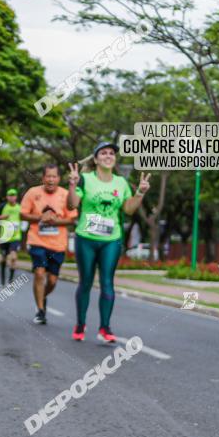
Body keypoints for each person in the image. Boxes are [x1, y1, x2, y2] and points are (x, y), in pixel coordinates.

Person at [67, 142, 150, 343]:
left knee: (107, 283)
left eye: (111, 153)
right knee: (85, 282)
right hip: (86, 238)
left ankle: (105, 327)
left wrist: (140, 192)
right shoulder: (85, 179)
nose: (108, 156)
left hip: (111, 240)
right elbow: (72, 204)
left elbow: (129, 209)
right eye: (103, 153)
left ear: (114, 159)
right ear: (95, 159)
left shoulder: (121, 183)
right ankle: (80, 324)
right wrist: (72, 184)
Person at [21, 164, 78, 324]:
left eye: (54, 176)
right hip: (37, 241)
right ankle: (40, 310)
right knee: (39, 273)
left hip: (58, 244)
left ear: (59, 179)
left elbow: (72, 219)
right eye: (48, 176)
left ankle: (42, 296)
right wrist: (40, 218)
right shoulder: (33, 193)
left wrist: (56, 221)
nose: (51, 179)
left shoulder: (66, 195)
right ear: (43, 178)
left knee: (52, 280)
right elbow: (23, 214)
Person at [0, 189, 22, 286]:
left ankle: (10, 280)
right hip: (4, 237)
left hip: (16, 237)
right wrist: (1, 217)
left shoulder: (20, 207)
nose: (12, 197)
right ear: (7, 197)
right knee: (3, 259)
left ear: (16, 197)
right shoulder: (2, 206)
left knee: (13, 257)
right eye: (10, 195)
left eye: (13, 195)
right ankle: (2, 281)